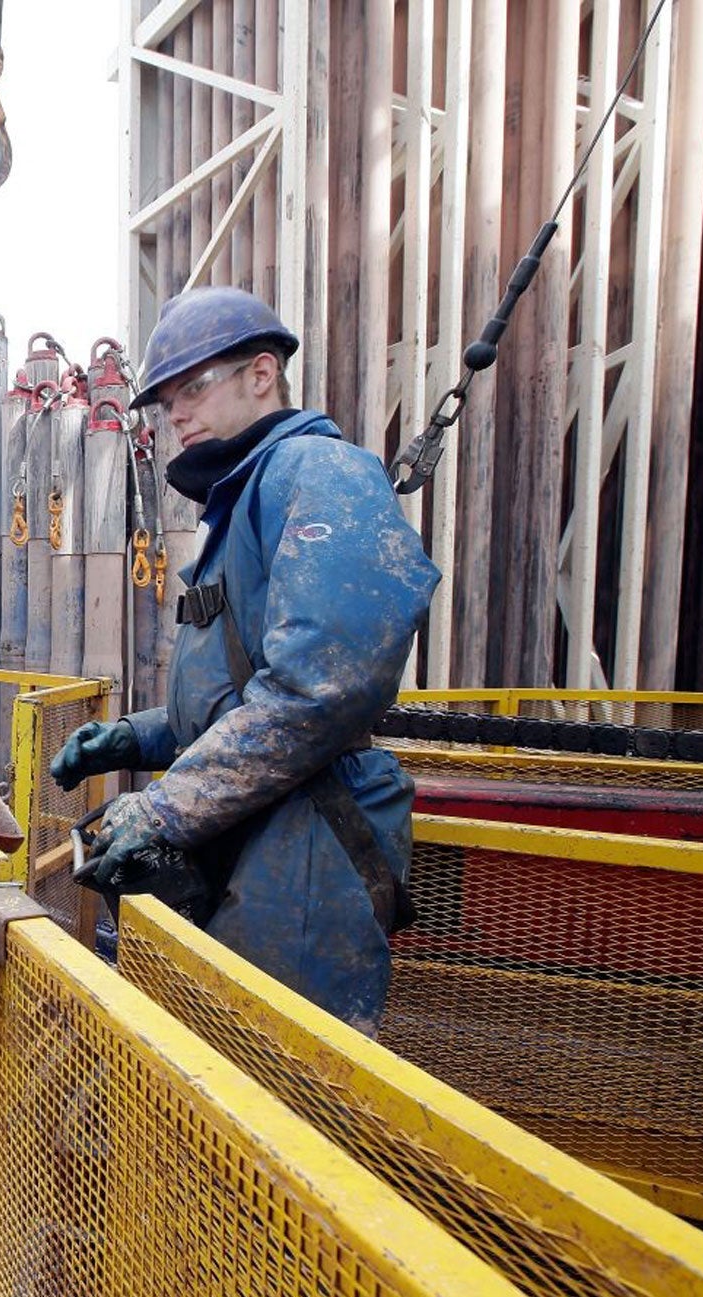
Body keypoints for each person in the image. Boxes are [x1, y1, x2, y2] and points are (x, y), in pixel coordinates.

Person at [53, 286, 440, 1034]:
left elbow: (315, 694)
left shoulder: (320, 476)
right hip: (254, 837)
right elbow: (237, 695)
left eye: (193, 389)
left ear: (263, 374)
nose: (177, 416)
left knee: (280, 1085)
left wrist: (164, 805)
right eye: (166, 403)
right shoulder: (239, 502)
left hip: (309, 851)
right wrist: (141, 734)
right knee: (220, 1068)